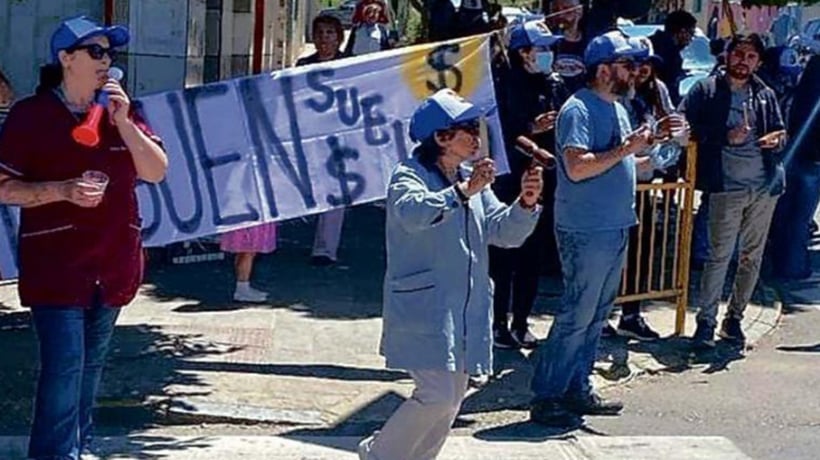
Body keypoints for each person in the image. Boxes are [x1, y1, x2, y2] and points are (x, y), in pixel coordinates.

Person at [0, 16, 167, 460]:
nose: (106, 61)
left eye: (109, 53)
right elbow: (3, 186)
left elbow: (156, 171)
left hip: (112, 266)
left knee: (90, 368)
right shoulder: (30, 116)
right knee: (65, 367)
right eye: (95, 52)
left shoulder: (122, 112)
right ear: (65, 59)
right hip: (56, 267)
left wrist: (126, 123)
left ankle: (77, 445)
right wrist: (61, 191)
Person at [357, 89, 543, 460]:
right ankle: (378, 453)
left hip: (465, 310)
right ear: (441, 137)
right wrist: (461, 192)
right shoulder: (408, 176)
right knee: (437, 395)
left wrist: (525, 203)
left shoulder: (470, 178)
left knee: (451, 399)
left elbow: (503, 232)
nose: (476, 136)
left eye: (476, 127)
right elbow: (412, 214)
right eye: (467, 129)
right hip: (426, 308)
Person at [529, 30, 655, 427]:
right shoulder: (578, 110)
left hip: (614, 224)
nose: (636, 72)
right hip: (586, 229)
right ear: (604, 70)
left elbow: (622, 163)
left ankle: (576, 388)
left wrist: (652, 154)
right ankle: (548, 395)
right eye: (627, 66)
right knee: (577, 313)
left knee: (596, 314)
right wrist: (626, 150)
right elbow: (578, 167)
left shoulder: (618, 107)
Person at [682, 34, 786, 348]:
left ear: (759, 61)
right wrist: (726, 135)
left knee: (751, 258)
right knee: (718, 257)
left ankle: (735, 318)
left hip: (764, 187)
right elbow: (685, 128)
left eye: (751, 56)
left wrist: (777, 139)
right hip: (725, 188)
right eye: (739, 53)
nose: (744, 60)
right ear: (727, 56)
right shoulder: (706, 90)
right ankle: (706, 321)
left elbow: (781, 131)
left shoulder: (764, 93)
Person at [491, 20, 565, 349]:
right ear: (523, 52)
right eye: (542, 48)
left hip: (543, 180)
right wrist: (531, 132)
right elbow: (501, 132)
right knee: (504, 256)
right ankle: (497, 324)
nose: (547, 54)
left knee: (532, 257)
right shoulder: (503, 82)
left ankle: (521, 322)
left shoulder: (551, 83)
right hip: (509, 180)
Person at [606, 37, 687, 341]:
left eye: (646, 64)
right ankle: (601, 316)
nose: (641, 71)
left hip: (644, 184)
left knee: (641, 249)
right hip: (613, 185)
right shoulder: (614, 92)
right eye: (634, 64)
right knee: (610, 253)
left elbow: (674, 129)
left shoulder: (657, 90)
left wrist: (671, 134)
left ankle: (631, 314)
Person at [297, 15, 347, 265]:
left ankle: (325, 249)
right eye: (320, 33)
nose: (325, 38)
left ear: (339, 37)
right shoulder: (303, 65)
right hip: (310, 138)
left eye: (329, 33)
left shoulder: (351, 65)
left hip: (340, 140)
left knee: (334, 193)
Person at [766, 55, 820, 281]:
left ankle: (778, 265)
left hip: (792, 154)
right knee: (800, 218)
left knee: (785, 213)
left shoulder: (800, 90)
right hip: (813, 158)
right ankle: (793, 268)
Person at [649, 10, 697, 106]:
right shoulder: (670, 54)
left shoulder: (651, 44)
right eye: (691, 33)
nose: (691, 39)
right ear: (682, 32)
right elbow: (669, 89)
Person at [220, 224, 276, 302]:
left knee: (246, 251)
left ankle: (242, 287)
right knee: (247, 250)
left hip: (249, 219)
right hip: (248, 220)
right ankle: (242, 291)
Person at [546, 0, 589, 94]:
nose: (560, 15)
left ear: (579, 11)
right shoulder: (545, 43)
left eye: (566, 9)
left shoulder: (590, 44)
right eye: (555, 10)